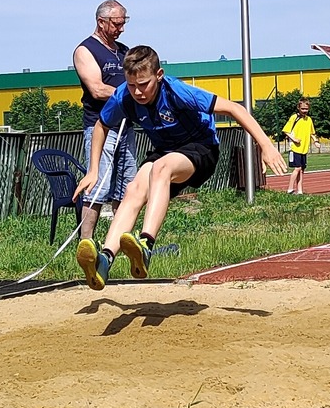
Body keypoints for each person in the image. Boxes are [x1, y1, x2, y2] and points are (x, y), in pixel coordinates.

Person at [73, 45, 286, 289]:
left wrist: (266, 146)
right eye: (132, 85)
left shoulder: (177, 92)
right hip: (165, 151)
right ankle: (105, 259)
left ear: (159, 75)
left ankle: (146, 245)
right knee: (133, 189)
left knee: (161, 167)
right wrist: (93, 170)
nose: (138, 92)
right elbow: (101, 126)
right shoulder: (123, 96)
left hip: (201, 148)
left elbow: (234, 108)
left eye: (144, 84)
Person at [72, 0, 137, 238]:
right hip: (100, 127)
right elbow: (97, 89)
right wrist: (132, 92)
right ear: (101, 22)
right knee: (97, 187)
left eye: (123, 23)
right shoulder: (85, 50)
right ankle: (86, 241)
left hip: (126, 127)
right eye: (117, 24)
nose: (121, 29)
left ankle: (119, 240)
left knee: (126, 188)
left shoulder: (124, 51)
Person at [281, 97, 315, 193]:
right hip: (295, 148)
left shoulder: (309, 120)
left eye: (306, 109)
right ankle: (290, 189)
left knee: (302, 170)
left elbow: (312, 133)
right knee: (297, 168)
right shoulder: (294, 117)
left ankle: (299, 190)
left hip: (304, 149)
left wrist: (316, 141)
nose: (304, 111)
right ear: (298, 108)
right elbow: (286, 130)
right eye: (303, 108)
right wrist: (294, 139)